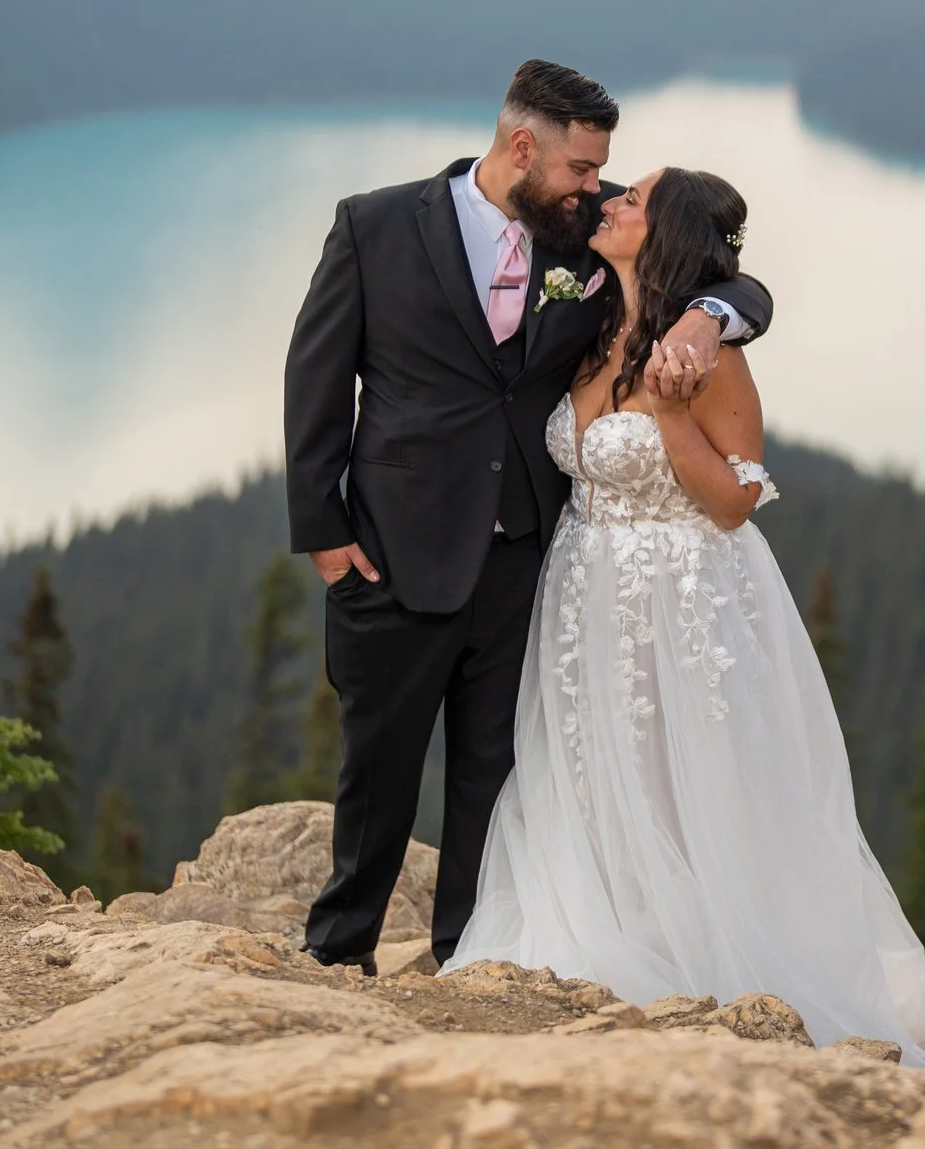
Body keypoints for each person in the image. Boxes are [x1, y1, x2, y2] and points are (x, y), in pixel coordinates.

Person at [283, 61, 773, 972]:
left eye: (604, 176)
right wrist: (322, 527)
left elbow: (730, 272)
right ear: (522, 147)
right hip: (392, 551)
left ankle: (468, 959)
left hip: (529, 564)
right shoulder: (375, 225)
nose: (601, 188)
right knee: (376, 766)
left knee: (493, 774)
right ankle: (337, 952)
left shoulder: (590, 223)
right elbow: (317, 375)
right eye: (585, 169)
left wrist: (709, 315)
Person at [442, 165, 925, 1064]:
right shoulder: (589, 322)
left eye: (632, 198)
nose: (612, 199)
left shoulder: (711, 357)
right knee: (592, 763)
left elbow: (735, 502)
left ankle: (699, 955)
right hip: (583, 587)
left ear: (664, 231)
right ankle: (612, 934)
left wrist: (672, 415)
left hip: (683, 593)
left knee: (684, 774)